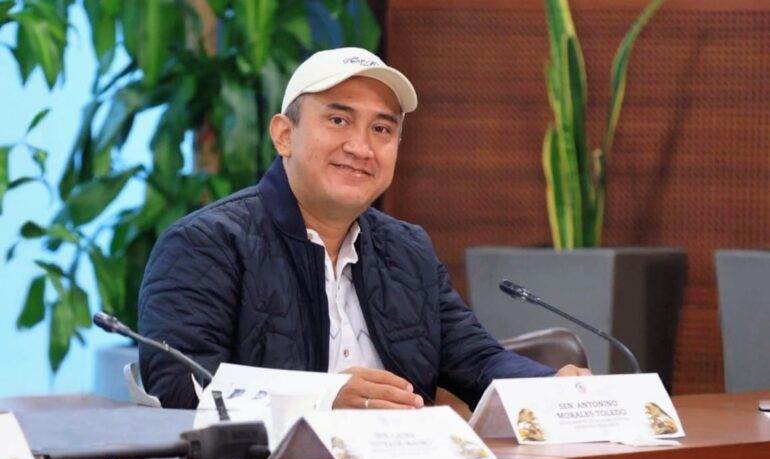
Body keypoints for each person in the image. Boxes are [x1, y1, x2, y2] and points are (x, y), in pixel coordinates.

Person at [138, 47, 589, 410]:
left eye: (382, 129)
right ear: (284, 135)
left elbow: (476, 360)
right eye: (338, 120)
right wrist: (322, 397)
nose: (361, 146)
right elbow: (180, 390)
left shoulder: (407, 249)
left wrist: (551, 386)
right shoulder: (204, 244)